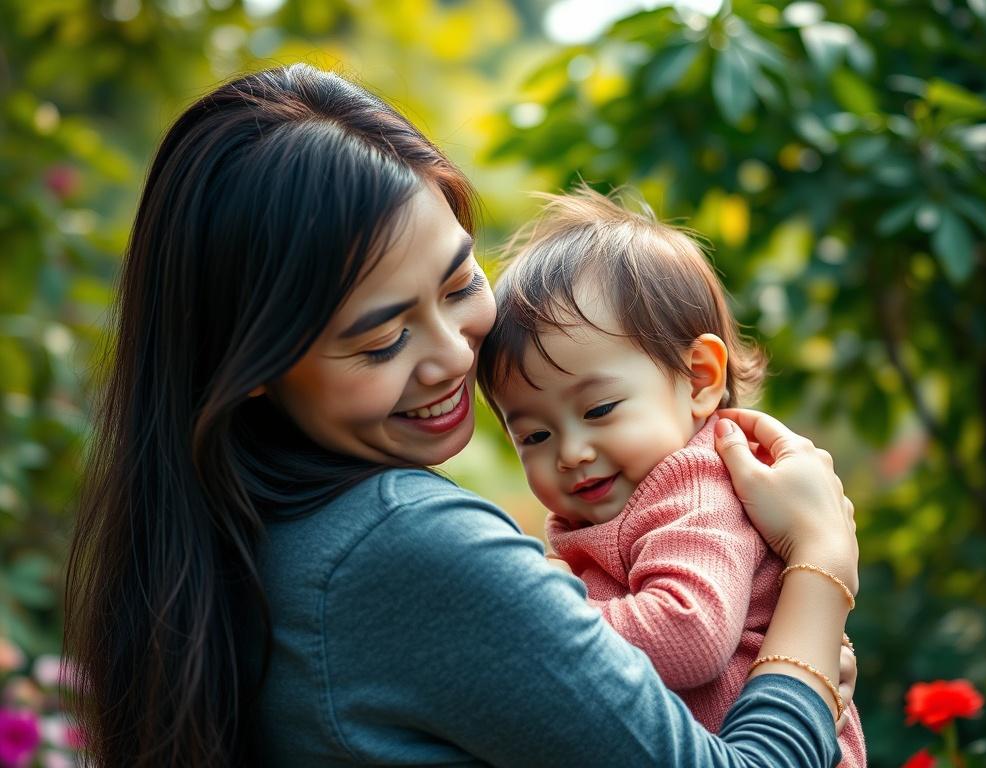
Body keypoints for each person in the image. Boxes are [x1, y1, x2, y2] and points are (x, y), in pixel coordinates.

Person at [63, 64, 859, 768]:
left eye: (458, 285)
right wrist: (819, 575)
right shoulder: (404, 545)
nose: (453, 356)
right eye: (382, 338)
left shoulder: (238, 535)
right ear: (256, 365)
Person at [476, 187, 866, 767]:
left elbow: (689, 633)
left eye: (600, 410)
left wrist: (536, 616)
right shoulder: (608, 503)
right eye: (534, 435)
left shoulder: (697, 487)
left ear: (700, 377)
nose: (572, 452)